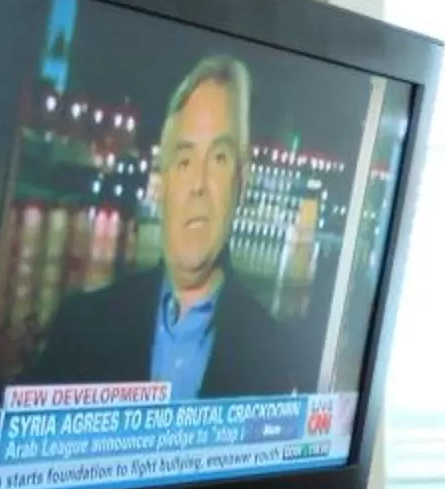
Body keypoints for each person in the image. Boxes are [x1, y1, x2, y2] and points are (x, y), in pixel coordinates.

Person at [18, 54, 312, 398]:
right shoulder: (80, 327)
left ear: (242, 183)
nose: (198, 184)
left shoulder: (278, 359)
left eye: (219, 158)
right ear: (162, 183)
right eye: (185, 161)